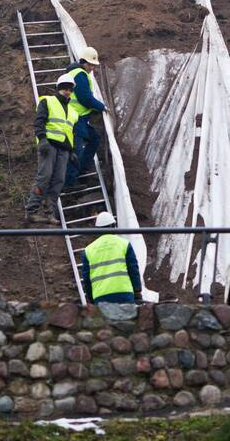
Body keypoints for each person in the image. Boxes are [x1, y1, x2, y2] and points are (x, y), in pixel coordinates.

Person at [25, 73, 78, 224]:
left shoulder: (73, 112)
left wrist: (72, 151)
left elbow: (71, 132)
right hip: (49, 145)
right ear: (58, 88)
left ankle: (49, 213)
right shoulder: (47, 102)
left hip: (64, 150)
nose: (67, 91)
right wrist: (42, 140)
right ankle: (31, 210)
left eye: (70, 89)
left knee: (58, 181)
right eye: (64, 88)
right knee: (44, 177)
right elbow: (39, 122)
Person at [63, 46, 108, 191]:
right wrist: (102, 107)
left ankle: (81, 169)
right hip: (76, 119)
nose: (92, 69)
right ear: (84, 63)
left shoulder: (77, 73)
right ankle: (69, 183)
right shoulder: (80, 75)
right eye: (91, 65)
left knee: (94, 139)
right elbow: (85, 98)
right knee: (76, 150)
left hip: (79, 118)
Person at [82, 211, 142, 305]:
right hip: (124, 293)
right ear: (113, 226)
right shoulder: (124, 244)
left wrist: (91, 298)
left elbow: (86, 279)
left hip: (100, 296)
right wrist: (137, 291)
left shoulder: (88, 250)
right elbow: (133, 269)